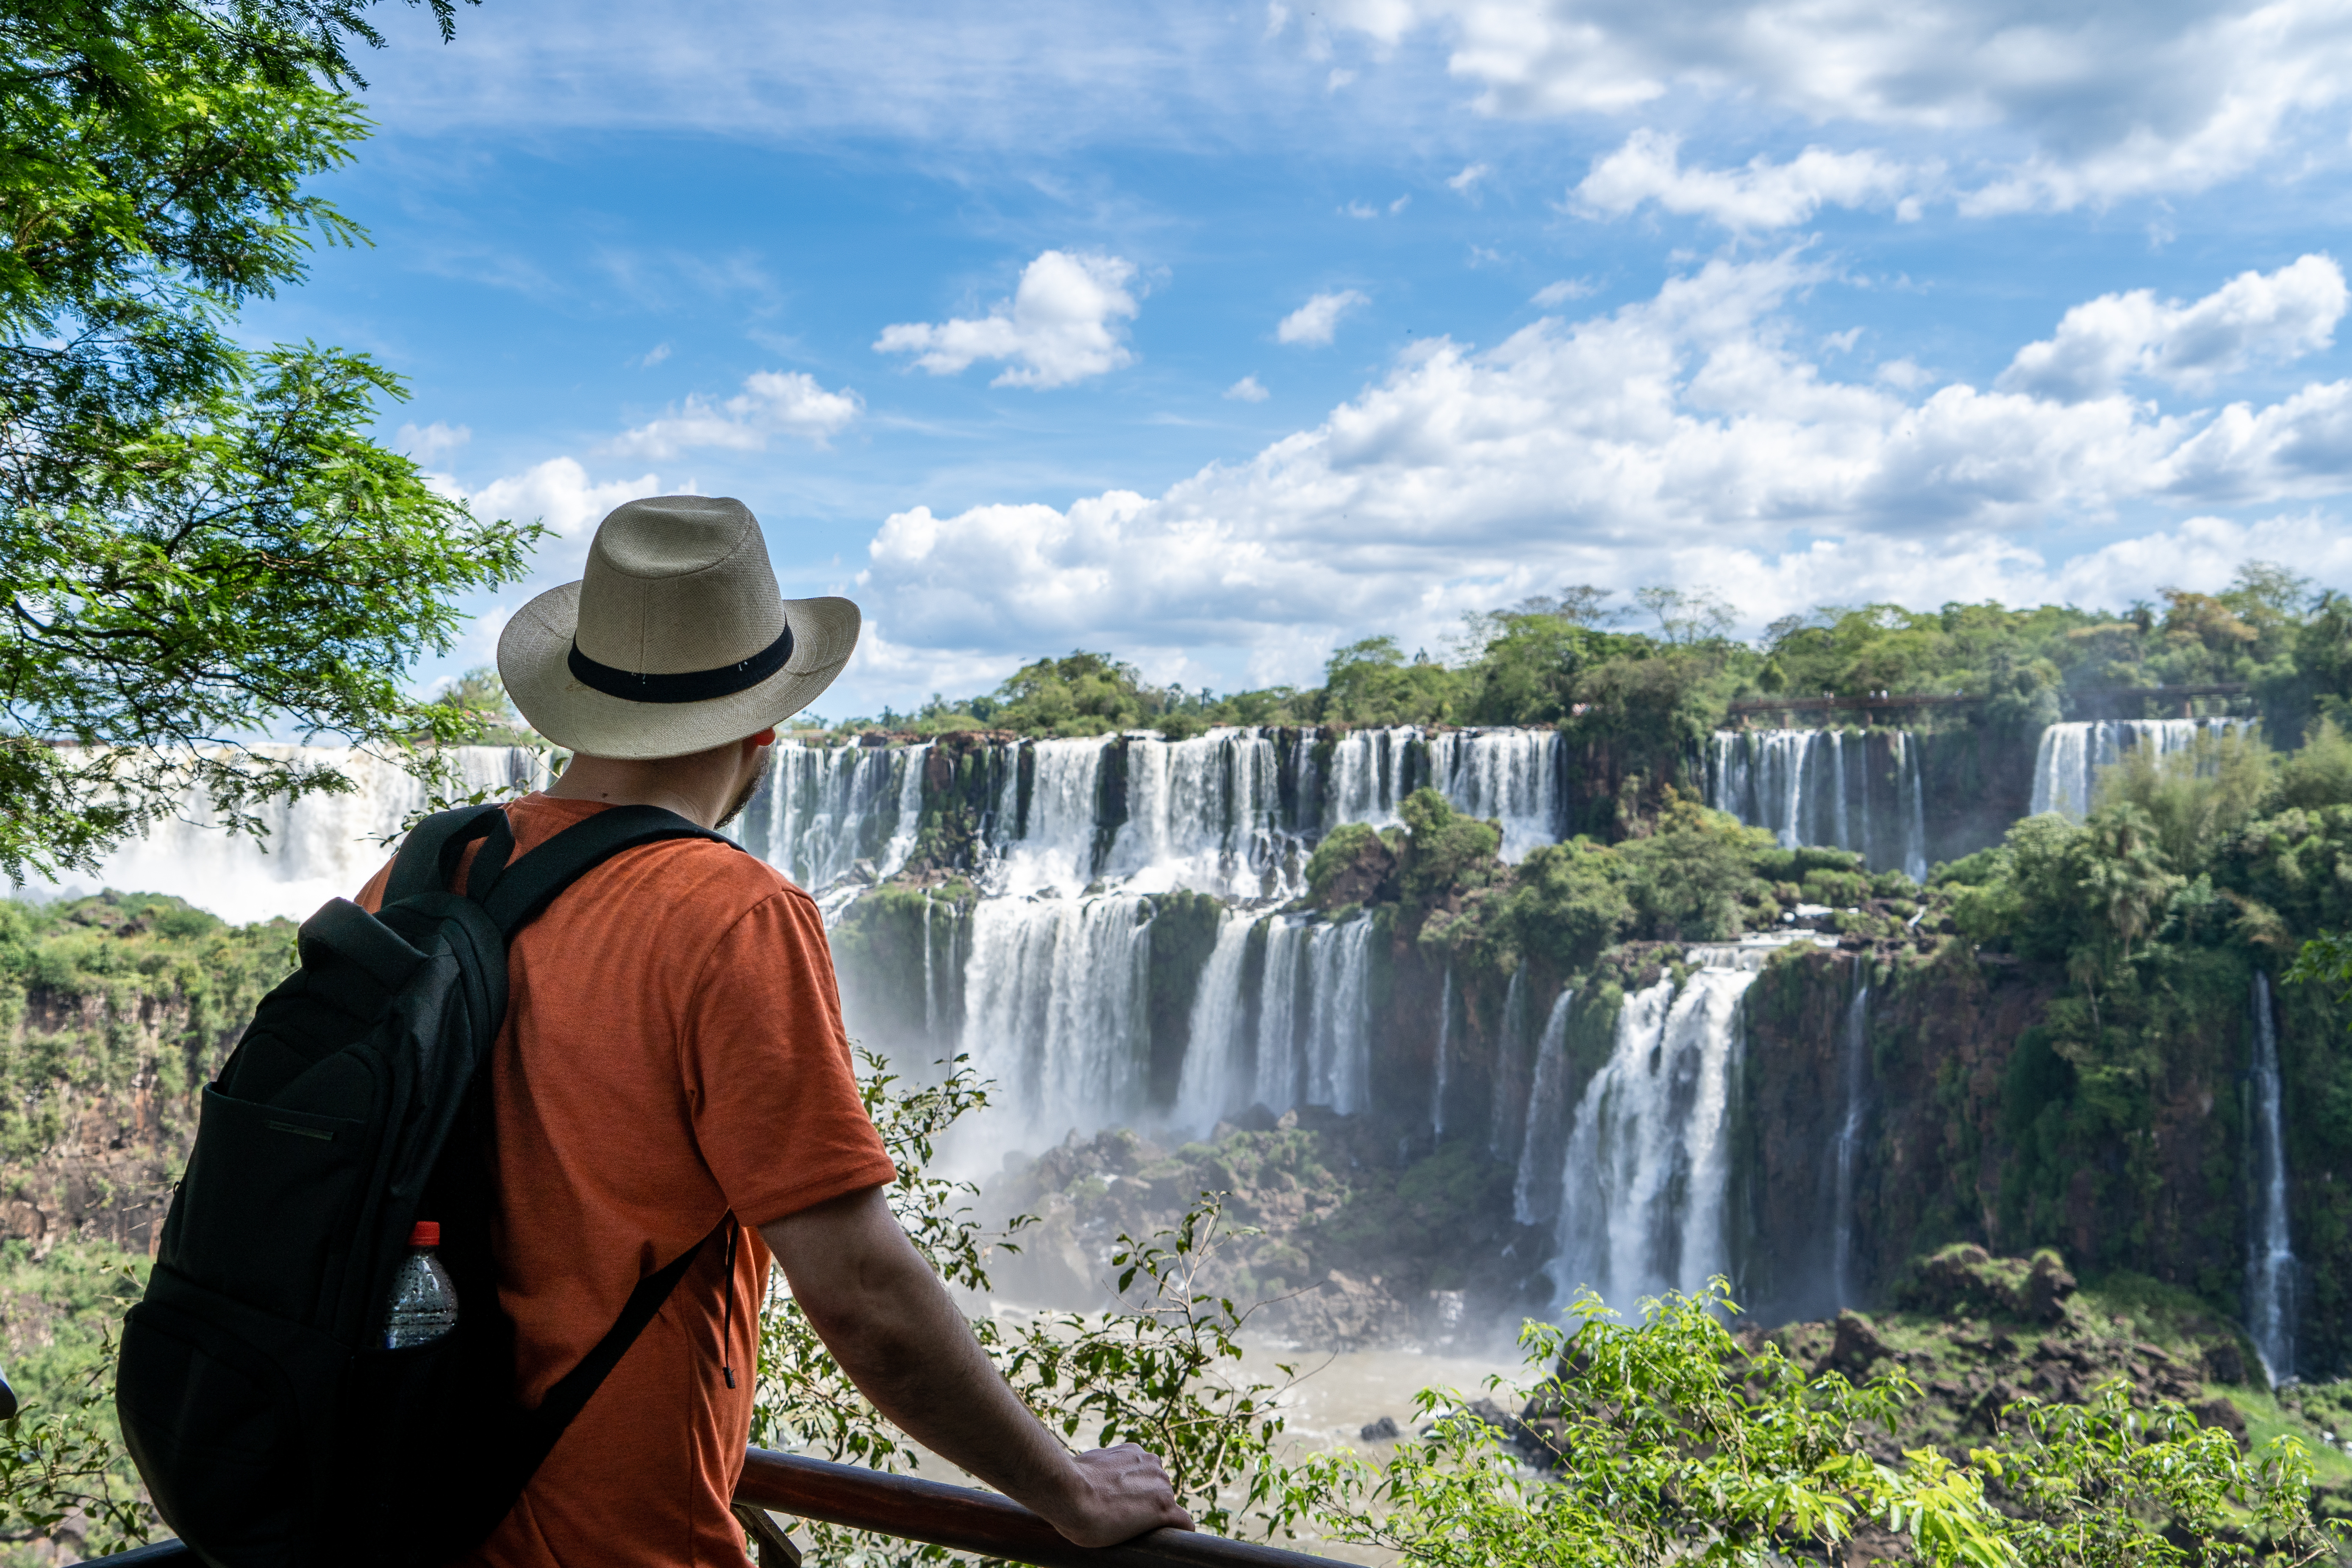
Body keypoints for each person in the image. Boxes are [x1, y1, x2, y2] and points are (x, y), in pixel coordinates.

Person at [355, 495, 1191, 1568]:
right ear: (764, 726)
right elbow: (861, 1294)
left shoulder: (426, 874)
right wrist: (1067, 1490)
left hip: (400, 1504)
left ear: (577, 708)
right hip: (622, 1543)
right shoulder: (731, 914)